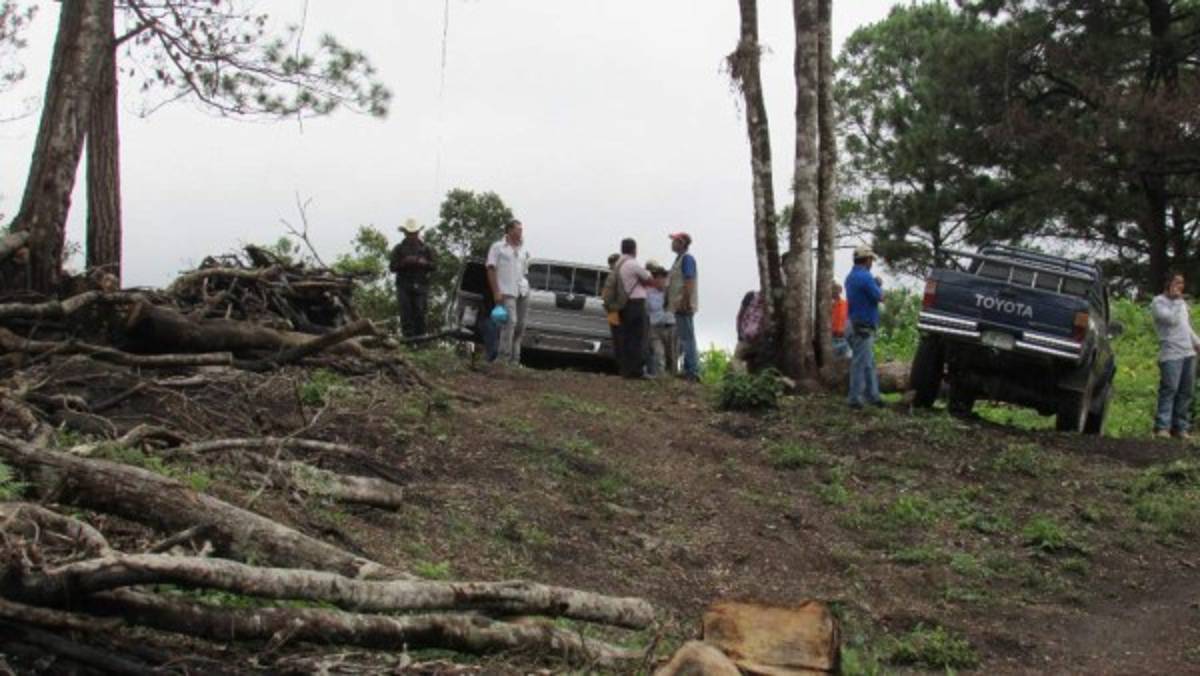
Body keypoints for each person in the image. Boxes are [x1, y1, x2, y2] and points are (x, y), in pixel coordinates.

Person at [1151, 272, 1200, 440]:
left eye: (1182, 283)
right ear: (1168, 283)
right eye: (1177, 283)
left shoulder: (1181, 305)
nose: (1180, 286)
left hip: (1188, 352)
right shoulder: (1158, 302)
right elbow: (1170, 320)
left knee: (1186, 392)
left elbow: (1185, 327)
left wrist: (1197, 343)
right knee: (1170, 389)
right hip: (1171, 353)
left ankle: (1180, 428)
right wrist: (1177, 301)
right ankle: (1162, 427)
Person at [486, 219, 530, 366]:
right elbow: (491, 269)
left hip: (522, 291)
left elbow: (524, 272)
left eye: (521, 229)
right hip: (506, 290)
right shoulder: (498, 247)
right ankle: (502, 358)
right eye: (518, 229)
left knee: (520, 325)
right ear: (509, 231)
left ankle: (515, 360)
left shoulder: (523, 250)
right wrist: (496, 292)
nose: (520, 232)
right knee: (510, 323)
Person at [845, 244, 884, 409]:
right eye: (871, 260)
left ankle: (873, 396)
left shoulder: (850, 277)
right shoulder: (866, 277)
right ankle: (854, 398)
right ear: (867, 260)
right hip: (863, 326)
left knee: (868, 363)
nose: (872, 263)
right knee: (861, 363)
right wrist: (878, 284)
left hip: (853, 323)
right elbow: (879, 297)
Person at [388, 222, 437, 338]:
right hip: (403, 285)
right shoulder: (398, 249)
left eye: (414, 233)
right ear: (405, 233)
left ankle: (421, 339)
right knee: (406, 313)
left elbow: (434, 266)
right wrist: (404, 262)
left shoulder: (426, 248)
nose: (412, 235)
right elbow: (392, 267)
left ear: (417, 233)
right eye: (409, 233)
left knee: (420, 312)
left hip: (421, 285)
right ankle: (408, 340)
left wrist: (422, 262)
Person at [615, 238, 653, 378]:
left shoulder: (618, 263)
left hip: (623, 304)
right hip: (635, 304)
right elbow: (648, 278)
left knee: (626, 337)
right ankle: (636, 370)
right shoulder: (632, 263)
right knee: (638, 337)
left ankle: (625, 369)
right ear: (634, 249)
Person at [666, 231, 700, 381]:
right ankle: (689, 369)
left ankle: (692, 371)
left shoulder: (687, 259)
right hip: (678, 304)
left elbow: (689, 280)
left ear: (681, 243)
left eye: (674, 241)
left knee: (687, 338)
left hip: (683, 304)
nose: (672, 243)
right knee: (686, 337)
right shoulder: (678, 260)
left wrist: (685, 301)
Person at [645, 261, 676, 376]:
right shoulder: (648, 293)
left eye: (662, 277)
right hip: (655, 328)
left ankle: (671, 378)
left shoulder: (671, 292)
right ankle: (660, 378)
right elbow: (647, 310)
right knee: (659, 354)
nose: (659, 280)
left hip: (670, 326)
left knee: (671, 356)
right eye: (657, 277)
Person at [606, 253, 623, 363]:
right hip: (613, 312)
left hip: (619, 311)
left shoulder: (621, 277)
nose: (611, 266)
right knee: (616, 337)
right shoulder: (612, 276)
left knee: (620, 338)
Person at [831, 282, 852, 360]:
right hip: (832, 339)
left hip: (845, 338)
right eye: (833, 290)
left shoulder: (845, 304)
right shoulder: (828, 305)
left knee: (847, 360)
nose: (835, 292)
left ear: (840, 291)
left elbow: (850, 319)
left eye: (837, 290)